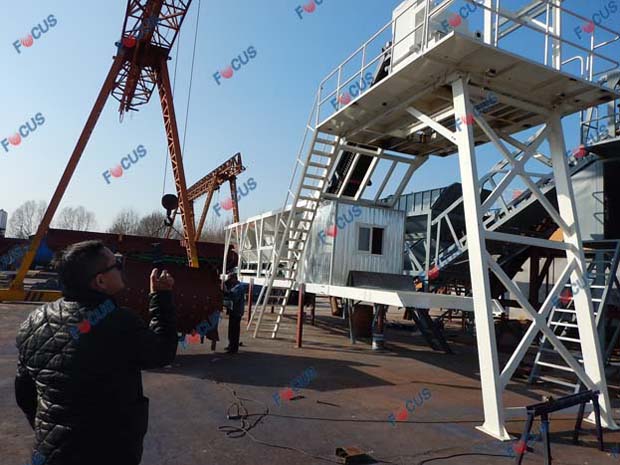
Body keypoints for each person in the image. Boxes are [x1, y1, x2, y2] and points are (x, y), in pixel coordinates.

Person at [15, 240, 177, 465]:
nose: (121, 268)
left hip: (51, 452)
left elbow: (24, 393)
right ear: (100, 281)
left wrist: (51, 430)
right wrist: (161, 297)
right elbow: (163, 352)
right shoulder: (120, 322)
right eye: (116, 264)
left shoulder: (33, 322)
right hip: (109, 453)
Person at [223, 272, 245, 354]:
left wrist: (226, 292)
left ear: (234, 279)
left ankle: (233, 348)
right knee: (231, 330)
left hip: (237, 311)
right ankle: (231, 345)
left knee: (234, 331)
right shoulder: (236, 286)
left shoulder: (239, 287)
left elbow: (234, 298)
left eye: (230, 279)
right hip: (234, 311)